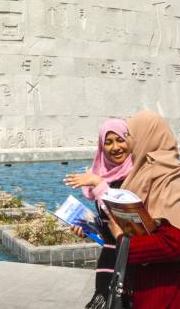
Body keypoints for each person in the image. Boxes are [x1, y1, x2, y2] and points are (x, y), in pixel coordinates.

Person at [116, 110, 180, 309]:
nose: (127, 142)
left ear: (146, 138)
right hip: (165, 291)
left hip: (175, 296)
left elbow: (176, 243)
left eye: (130, 136)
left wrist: (124, 243)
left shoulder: (166, 180)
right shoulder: (166, 174)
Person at [63, 118, 134, 309]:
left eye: (120, 139)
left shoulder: (136, 176)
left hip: (131, 263)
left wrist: (97, 184)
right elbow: (110, 225)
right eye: (108, 142)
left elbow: (128, 220)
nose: (115, 147)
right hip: (108, 262)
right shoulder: (106, 178)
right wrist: (89, 228)